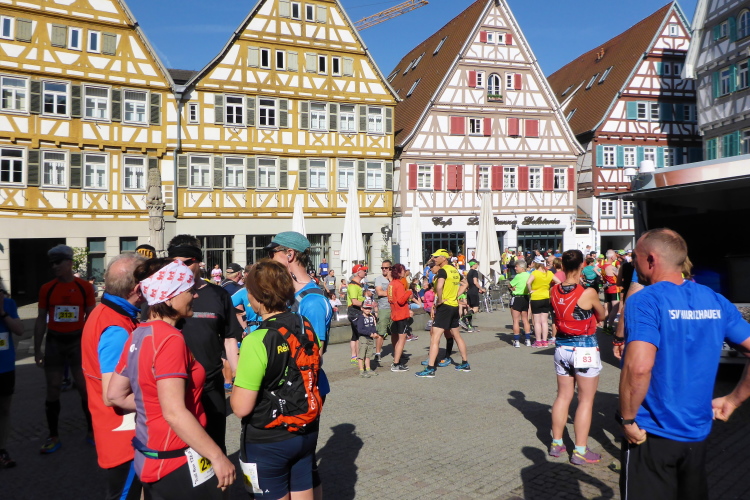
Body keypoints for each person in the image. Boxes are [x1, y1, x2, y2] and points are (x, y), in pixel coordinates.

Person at [618, 229, 750, 499]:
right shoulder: (714, 299)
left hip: (651, 432)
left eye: (635, 257)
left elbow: (639, 367)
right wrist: (733, 400)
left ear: (651, 259)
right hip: (696, 435)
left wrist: (627, 418)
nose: (634, 264)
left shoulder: (645, 300)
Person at [107, 258, 235, 499]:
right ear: (168, 297)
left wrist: (156, 404)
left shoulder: (139, 333)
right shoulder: (170, 339)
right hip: (177, 459)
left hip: (149, 457)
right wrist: (217, 456)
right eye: (188, 290)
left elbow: (114, 395)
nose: (195, 295)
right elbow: (174, 413)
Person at [230, 259, 321, 500]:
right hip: (305, 429)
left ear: (257, 296)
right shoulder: (304, 324)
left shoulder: (257, 339)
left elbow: (240, 407)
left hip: (268, 439)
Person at [264, 231, 332, 500]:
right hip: (286, 388)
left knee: (304, 463)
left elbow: (314, 356)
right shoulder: (290, 295)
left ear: (289, 255)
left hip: (303, 390)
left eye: (273, 253)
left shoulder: (311, 300)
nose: (269, 259)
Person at [168, 235, 242, 453]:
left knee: (215, 445)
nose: (180, 268)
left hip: (210, 384)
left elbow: (229, 338)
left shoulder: (218, 295)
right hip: (174, 385)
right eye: (175, 263)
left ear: (198, 262)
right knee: (178, 449)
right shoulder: (162, 297)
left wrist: (238, 378)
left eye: (186, 262)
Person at [81, 254, 145, 499]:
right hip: (124, 437)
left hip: (118, 433)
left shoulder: (105, 312)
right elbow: (112, 395)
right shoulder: (116, 328)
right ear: (137, 289)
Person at [34, 244, 96, 453]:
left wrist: (92, 347)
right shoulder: (47, 288)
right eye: (52, 263)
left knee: (84, 388)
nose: (54, 266)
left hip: (78, 341)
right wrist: (37, 350)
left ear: (69, 263)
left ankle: (92, 431)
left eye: (58, 262)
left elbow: (92, 318)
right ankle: (53, 436)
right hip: (55, 342)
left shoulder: (84, 287)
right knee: (53, 388)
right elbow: (41, 319)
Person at [548, 250, 606, 465]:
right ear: (582, 265)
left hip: (562, 348)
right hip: (584, 349)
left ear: (562, 266)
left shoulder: (553, 290)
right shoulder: (588, 292)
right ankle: (580, 450)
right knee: (585, 400)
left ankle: (556, 443)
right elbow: (602, 315)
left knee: (563, 396)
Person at [416, 250, 471, 377]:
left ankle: (430, 368)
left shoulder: (443, 270)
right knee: (457, 336)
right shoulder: (454, 270)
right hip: (454, 306)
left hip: (445, 307)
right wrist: (455, 296)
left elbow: (439, 286)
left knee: (435, 338)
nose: (434, 259)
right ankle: (465, 363)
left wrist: (440, 300)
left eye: (436, 257)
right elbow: (465, 283)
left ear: (444, 258)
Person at [0, 286, 24, 468]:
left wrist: (2, 313)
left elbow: (19, 330)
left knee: (4, 410)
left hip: (5, 367)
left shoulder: (8, 304)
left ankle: (2, 449)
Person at [526, 255, 561, 348]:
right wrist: (550, 289)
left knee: (537, 322)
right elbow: (559, 282)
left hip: (536, 297)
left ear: (536, 263)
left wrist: (530, 290)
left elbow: (528, 282)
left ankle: (538, 341)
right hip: (546, 297)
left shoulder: (535, 273)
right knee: (544, 321)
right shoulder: (549, 273)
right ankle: (545, 341)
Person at [388, 264, 412, 372]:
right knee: (402, 340)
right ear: (398, 272)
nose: (404, 272)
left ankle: (396, 361)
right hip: (401, 314)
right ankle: (396, 363)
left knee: (398, 339)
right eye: (403, 270)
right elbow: (401, 300)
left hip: (394, 313)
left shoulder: (391, 284)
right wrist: (409, 292)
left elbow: (390, 299)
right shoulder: (398, 284)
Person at [508, 260, 532, 348]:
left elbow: (509, 285)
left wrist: (512, 288)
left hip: (517, 297)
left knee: (516, 320)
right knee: (525, 319)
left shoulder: (518, 276)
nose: (515, 268)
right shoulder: (529, 275)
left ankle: (516, 340)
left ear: (522, 268)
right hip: (525, 297)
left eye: (516, 266)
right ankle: (528, 340)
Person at [346, 267, 366, 365]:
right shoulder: (353, 285)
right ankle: (359, 357)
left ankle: (354, 356)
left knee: (355, 335)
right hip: (354, 311)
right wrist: (366, 305)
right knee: (359, 335)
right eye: (364, 271)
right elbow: (354, 301)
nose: (366, 272)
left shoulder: (358, 284)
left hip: (356, 311)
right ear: (358, 273)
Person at [373, 261, 392, 362]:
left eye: (386, 268)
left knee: (395, 332)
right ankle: (377, 353)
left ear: (390, 268)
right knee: (381, 332)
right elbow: (379, 292)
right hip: (384, 308)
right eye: (382, 268)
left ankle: (398, 353)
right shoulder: (379, 279)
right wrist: (393, 292)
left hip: (394, 308)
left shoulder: (394, 279)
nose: (384, 269)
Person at [355, 300, 380, 378]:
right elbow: (360, 330)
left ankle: (368, 369)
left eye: (369, 308)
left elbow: (373, 327)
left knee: (368, 355)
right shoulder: (360, 318)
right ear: (362, 308)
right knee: (361, 355)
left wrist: (375, 333)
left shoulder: (371, 317)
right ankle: (361, 371)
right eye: (366, 308)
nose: (368, 310)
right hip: (363, 338)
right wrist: (370, 333)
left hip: (370, 338)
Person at [601, 250, 619, 333]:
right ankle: (610, 327)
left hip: (606, 288)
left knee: (608, 308)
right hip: (614, 288)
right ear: (612, 257)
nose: (616, 256)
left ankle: (605, 325)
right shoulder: (611, 267)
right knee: (615, 308)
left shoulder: (603, 266)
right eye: (615, 255)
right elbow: (620, 276)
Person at [465, 259, 484, 331]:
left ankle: (469, 326)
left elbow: (468, 283)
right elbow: (475, 282)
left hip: (469, 291)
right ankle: (463, 318)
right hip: (473, 292)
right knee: (476, 309)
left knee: (471, 308)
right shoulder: (475, 272)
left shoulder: (469, 272)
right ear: (474, 264)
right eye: (477, 264)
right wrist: (481, 288)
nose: (477, 265)